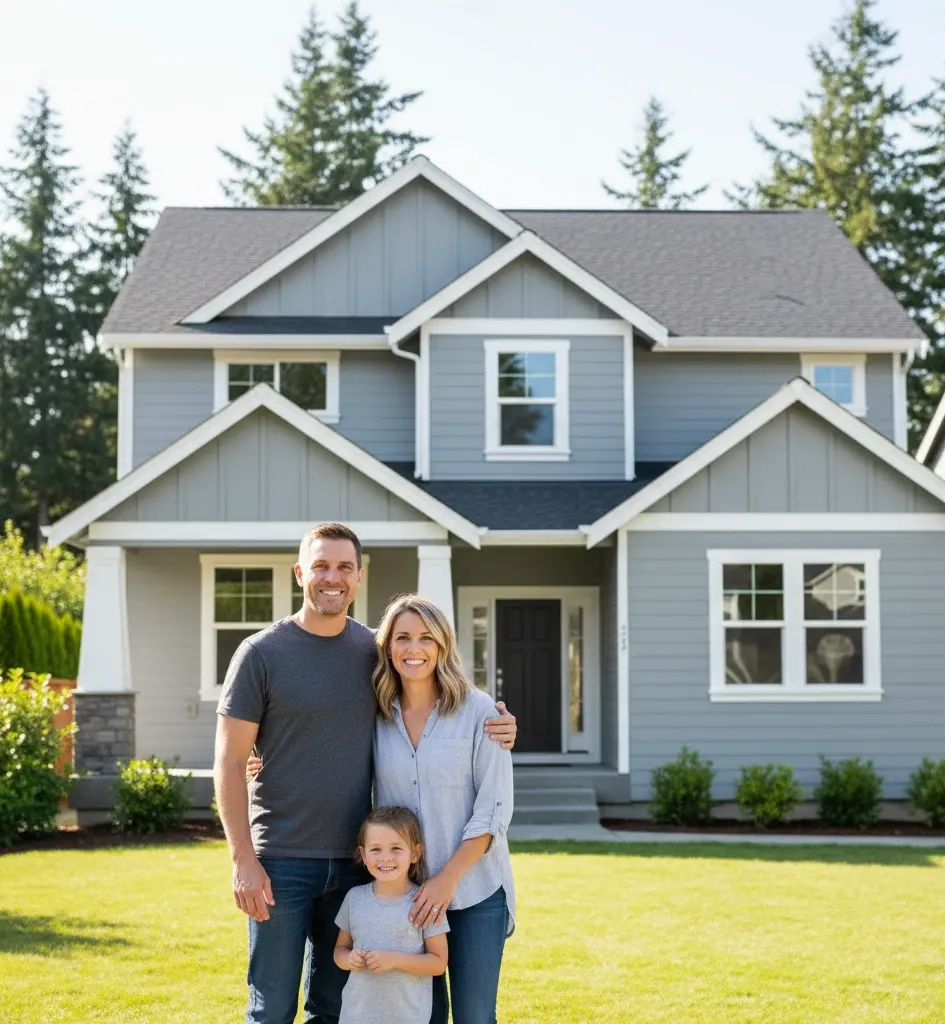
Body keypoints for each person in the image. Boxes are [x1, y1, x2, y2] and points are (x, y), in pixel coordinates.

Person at [213, 522, 517, 1024]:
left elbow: (437, 684)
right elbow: (230, 758)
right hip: (285, 862)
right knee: (269, 1008)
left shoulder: (375, 653)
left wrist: (502, 725)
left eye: (344, 567)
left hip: (365, 868)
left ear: (358, 577)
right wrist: (242, 856)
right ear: (299, 573)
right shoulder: (264, 654)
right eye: (320, 566)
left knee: (343, 1007)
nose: (332, 577)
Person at [373, 593, 515, 1024]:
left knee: (474, 1016)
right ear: (388, 647)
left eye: (425, 638)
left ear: (442, 645)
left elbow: (493, 809)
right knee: (419, 1016)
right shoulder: (376, 715)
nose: (413, 649)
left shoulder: (481, 711)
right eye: (402, 638)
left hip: (474, 893)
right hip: (407, 896)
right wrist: (262, 761)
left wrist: (446, 880)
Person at [333, 806, 449, 1024]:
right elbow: (339, 951)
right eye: (375, 849)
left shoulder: (425, 902)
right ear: (363, 855)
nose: (385, 858)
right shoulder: (354, 898)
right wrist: (349, 959)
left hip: (407, 1017)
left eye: (396, 848)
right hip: (356, 1016)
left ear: (415, 853)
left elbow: (438, 963)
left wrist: (394, 960)